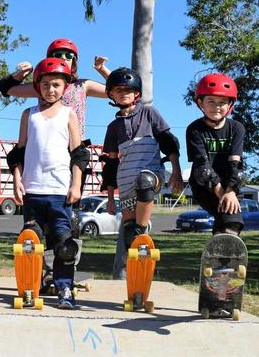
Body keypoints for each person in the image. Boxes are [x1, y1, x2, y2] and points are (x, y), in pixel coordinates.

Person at [6, 58, 89, 309]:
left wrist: (76, 185)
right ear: (37, 86)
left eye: (56, 85)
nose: (50, 89)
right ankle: (31, 286)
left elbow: (78, 153)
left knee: (64, 245)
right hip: (33, 190)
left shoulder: (68, 114)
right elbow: (19, 152)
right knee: (31, 242)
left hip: (59, 191)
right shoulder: (28, 115)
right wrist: (17, 180)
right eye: (45, 85)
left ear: (65, 87)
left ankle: (65, 288)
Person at [100, 67, 183, 280]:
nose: (123, 93)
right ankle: (136, 281)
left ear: (137, 93)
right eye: (118, 90)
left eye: (128, 89)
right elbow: (110, 165)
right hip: (125, 182)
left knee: (144, 183)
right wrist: (110, 198)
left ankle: (142, 229)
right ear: (110, 94)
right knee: (129, 236)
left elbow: (168, 142)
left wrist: (176, 171)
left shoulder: (149, 113)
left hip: (151, 173)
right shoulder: (113, 127)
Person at [0, 38, 110, 138]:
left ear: (74, 62)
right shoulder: (43, 86)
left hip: (75, 149)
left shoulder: (82, 86)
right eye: (58, 55)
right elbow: (7, 89)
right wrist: (22, 73)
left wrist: (102, 69)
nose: (63, 58)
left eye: (68, 56)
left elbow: (119, 89)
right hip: (48, 146)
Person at [186, 73, 245, 236]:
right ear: (200, 103)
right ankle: (222, 250)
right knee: (228, 214)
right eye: (210, 101)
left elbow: (236, 163)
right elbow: (202, 167)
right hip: (204, 186)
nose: (216, 107)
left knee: (231, 220)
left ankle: (221, 255)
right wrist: (221, 194)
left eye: (222, 102)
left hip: (229, 183)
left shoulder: (237, 128)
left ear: (230, 105)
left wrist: (231, 191)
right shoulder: (195, 129)